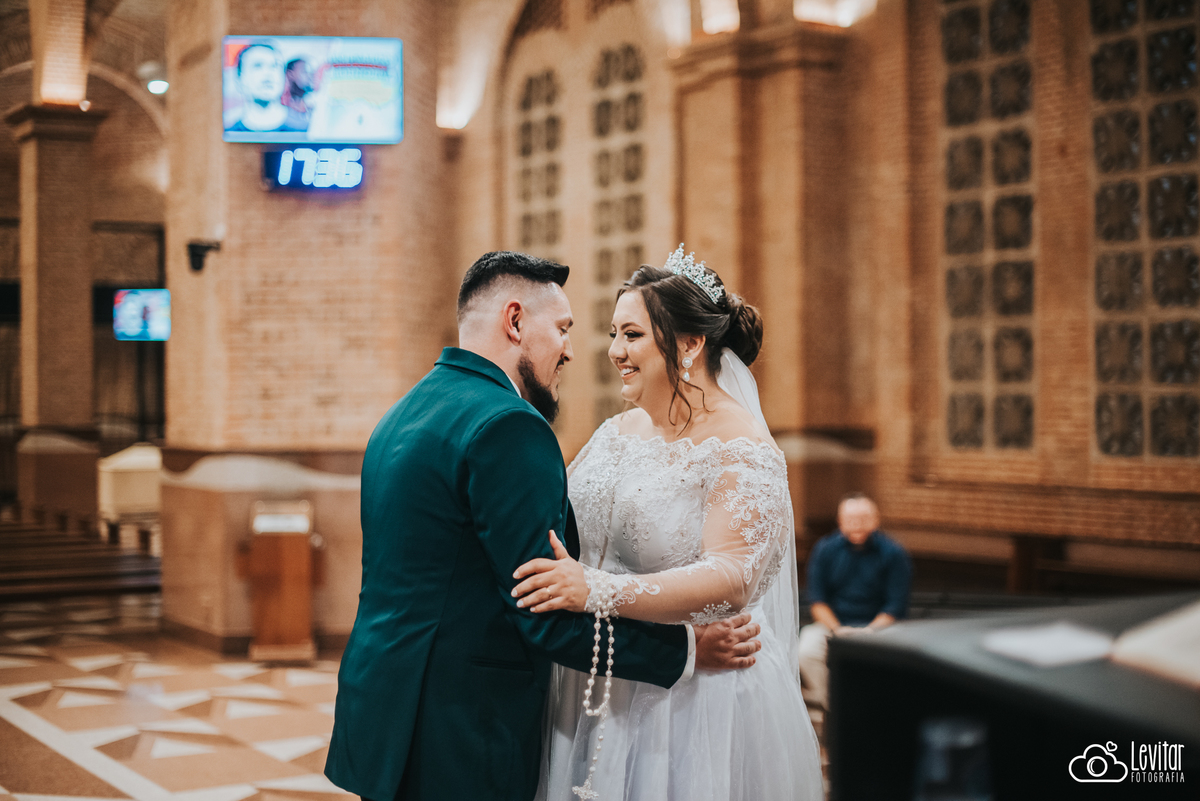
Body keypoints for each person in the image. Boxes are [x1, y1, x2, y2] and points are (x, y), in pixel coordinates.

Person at [324, 252, 762, 801]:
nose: (573, 350)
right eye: (562, 329)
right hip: (460, 731)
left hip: (382, 713)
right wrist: (688, 649)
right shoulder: (508, 426)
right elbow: (544, 614)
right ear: (515, 322)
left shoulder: (404, 413)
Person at [512, 245, 824, 800]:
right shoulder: (616, 432)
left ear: (690, 343)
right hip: (601, 679)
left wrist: (595, 590)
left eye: (632, 335)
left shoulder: (741, 446)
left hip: (696, 703)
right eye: (614, 334)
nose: (615, 351)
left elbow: (733, 576)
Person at [797, 492, 912, 710]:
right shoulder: (825, 549)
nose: (857, 525)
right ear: (840, 521)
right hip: (834, 627)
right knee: (807, 650)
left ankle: (874, 708)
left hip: (880, 629)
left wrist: (869, 632)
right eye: (850, 519)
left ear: (876, 520)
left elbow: (895, 606)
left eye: (863, 518)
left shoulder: (894, 553)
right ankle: (838, 706)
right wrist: (838, 630)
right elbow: (818, 602)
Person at [226, 42, 305, 133]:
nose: (268, 73)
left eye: (275, 66)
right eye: (258, 66)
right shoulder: (230, 133)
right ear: (239, 80)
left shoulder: (305, 131)